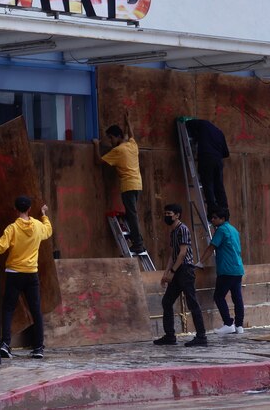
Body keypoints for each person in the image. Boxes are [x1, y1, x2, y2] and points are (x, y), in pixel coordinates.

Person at [0, 196, 52, 359]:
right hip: (31, 274)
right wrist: (43, 214)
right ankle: (38, 348)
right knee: (36, 311)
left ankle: (6, 344)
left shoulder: (12, 229)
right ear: (29, 209)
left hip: (14, 274)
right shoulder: (37, 226)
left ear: (16, 209)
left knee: (8, 309)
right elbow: (48, 230)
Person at [153, 203, 208, 347]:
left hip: (185, 270)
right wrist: (166, 273)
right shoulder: (173, 231)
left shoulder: (182, 229)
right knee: (167, 301)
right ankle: (170, 336)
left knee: (192, 303)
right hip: (177, 270)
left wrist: (172, 271)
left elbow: (182, 254)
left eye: (169, 214)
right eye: (165, 214)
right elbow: (173, 254)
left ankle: (201, 336)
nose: (167, 216)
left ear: (177, 215)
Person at [93, 111, 145, 254]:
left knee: (132, 215)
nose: (110, 141)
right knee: (132, 214)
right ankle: (138, 241)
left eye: (110, 138)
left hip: (128, 186)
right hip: (138, 184)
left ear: (116, 136)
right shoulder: (132, 145)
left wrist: (96, 145)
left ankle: (138, 243)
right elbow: (131, 134)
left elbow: (98, 161)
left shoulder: (118, 150)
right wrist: (127, 121)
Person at [196, 207, 245, 334]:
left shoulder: (221, 230)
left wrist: (200, 262)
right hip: (237, 268)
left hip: (226, 269)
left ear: (222, 219)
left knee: (218, 296)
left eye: (215, 218)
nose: (212, 220)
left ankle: (228, 323)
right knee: (237, 297)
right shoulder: (234, 230)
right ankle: (239, 325)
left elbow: (211, 247)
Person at [185, 118, 230, 215]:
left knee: (208, 184)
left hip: (206, 158)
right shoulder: (219, 132)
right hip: (218, 160)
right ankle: (224, 210)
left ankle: (213, 211)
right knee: (219, 185)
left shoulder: (201, 124)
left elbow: (187, 124)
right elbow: (226, 153)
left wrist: (196, 137)